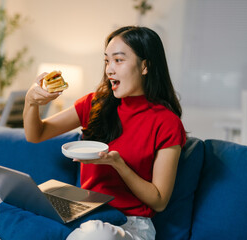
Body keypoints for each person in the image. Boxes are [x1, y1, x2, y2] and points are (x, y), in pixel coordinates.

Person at [22, 26, 186, 240]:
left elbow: (159, 200)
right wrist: (31, 101)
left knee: (95, 234)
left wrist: (118, 165)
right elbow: (36, 134)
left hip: (130, 224)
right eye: (107, 61)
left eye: (118, 60)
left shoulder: (167, 122)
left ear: (145, 66)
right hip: (84, 211)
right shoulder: (94, 103)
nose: (109, 70)